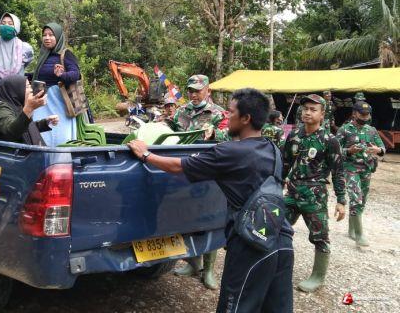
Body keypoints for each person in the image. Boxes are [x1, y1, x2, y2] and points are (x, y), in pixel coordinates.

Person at [128, 88, 294, 313]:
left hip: (251, 245)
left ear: (246, 118)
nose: (227, 116)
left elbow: (178, 166)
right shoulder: (272, 148)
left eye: (231, 112)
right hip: (281, 239)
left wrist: (146, 154)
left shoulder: (230, 152)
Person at [282, 94, 345, 293]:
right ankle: (274, 265)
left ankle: (318, 276)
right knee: (277, 227)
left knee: (320, 237)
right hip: (292, 193)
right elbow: (285, 164)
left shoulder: (330, 140)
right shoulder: (294, 135)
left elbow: (338, 172)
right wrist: (276, 186)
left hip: (314, 197)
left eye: (313, 109)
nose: (307, 112)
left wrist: (341, 200)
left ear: (322, 114)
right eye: (305, 109)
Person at [171, 74, 228, 289]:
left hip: (209, 172)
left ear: (208, 91)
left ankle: (209, 269)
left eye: (198, 90)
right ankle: (193, 263)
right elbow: (171, 132)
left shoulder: (218, 113)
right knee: (186, 215)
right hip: (184, 171)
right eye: (191, 91)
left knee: (209, 218)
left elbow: (231, 136)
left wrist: (215, 134)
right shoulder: (181, 112)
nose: (194, 94)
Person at [336, 102, 385, 247]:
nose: (365, 117)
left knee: (362, 200)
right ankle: (359, 235)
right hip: (350, 168)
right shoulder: (345, 129)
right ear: (354, 113)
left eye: (367, 115)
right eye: (362, 114)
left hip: (367, 168)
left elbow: (382, 148)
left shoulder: (371, 130)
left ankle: (351, 229)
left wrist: (378, 150)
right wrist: (349, 151)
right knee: (356, 198)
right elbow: (335, 150)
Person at [31, 23, 81, 147]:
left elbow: (76, 75)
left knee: (59, 137)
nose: (47, 38)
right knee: (41, 136)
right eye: (44, 35)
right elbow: (39, 75)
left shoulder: (66, 54)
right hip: (42, 103)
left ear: (58, 37)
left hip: (59, 103)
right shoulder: (43, 55)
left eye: (51, 35)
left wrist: (62, 75)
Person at [0, 75, 59, 145]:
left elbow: (27, 128)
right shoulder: (2, 110)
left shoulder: (18, 106)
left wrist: (46, 122)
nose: (31, 90)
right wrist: (29, 108)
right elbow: (12, 132)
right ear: (15, 90)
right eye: (27, 87)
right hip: (2, 152)